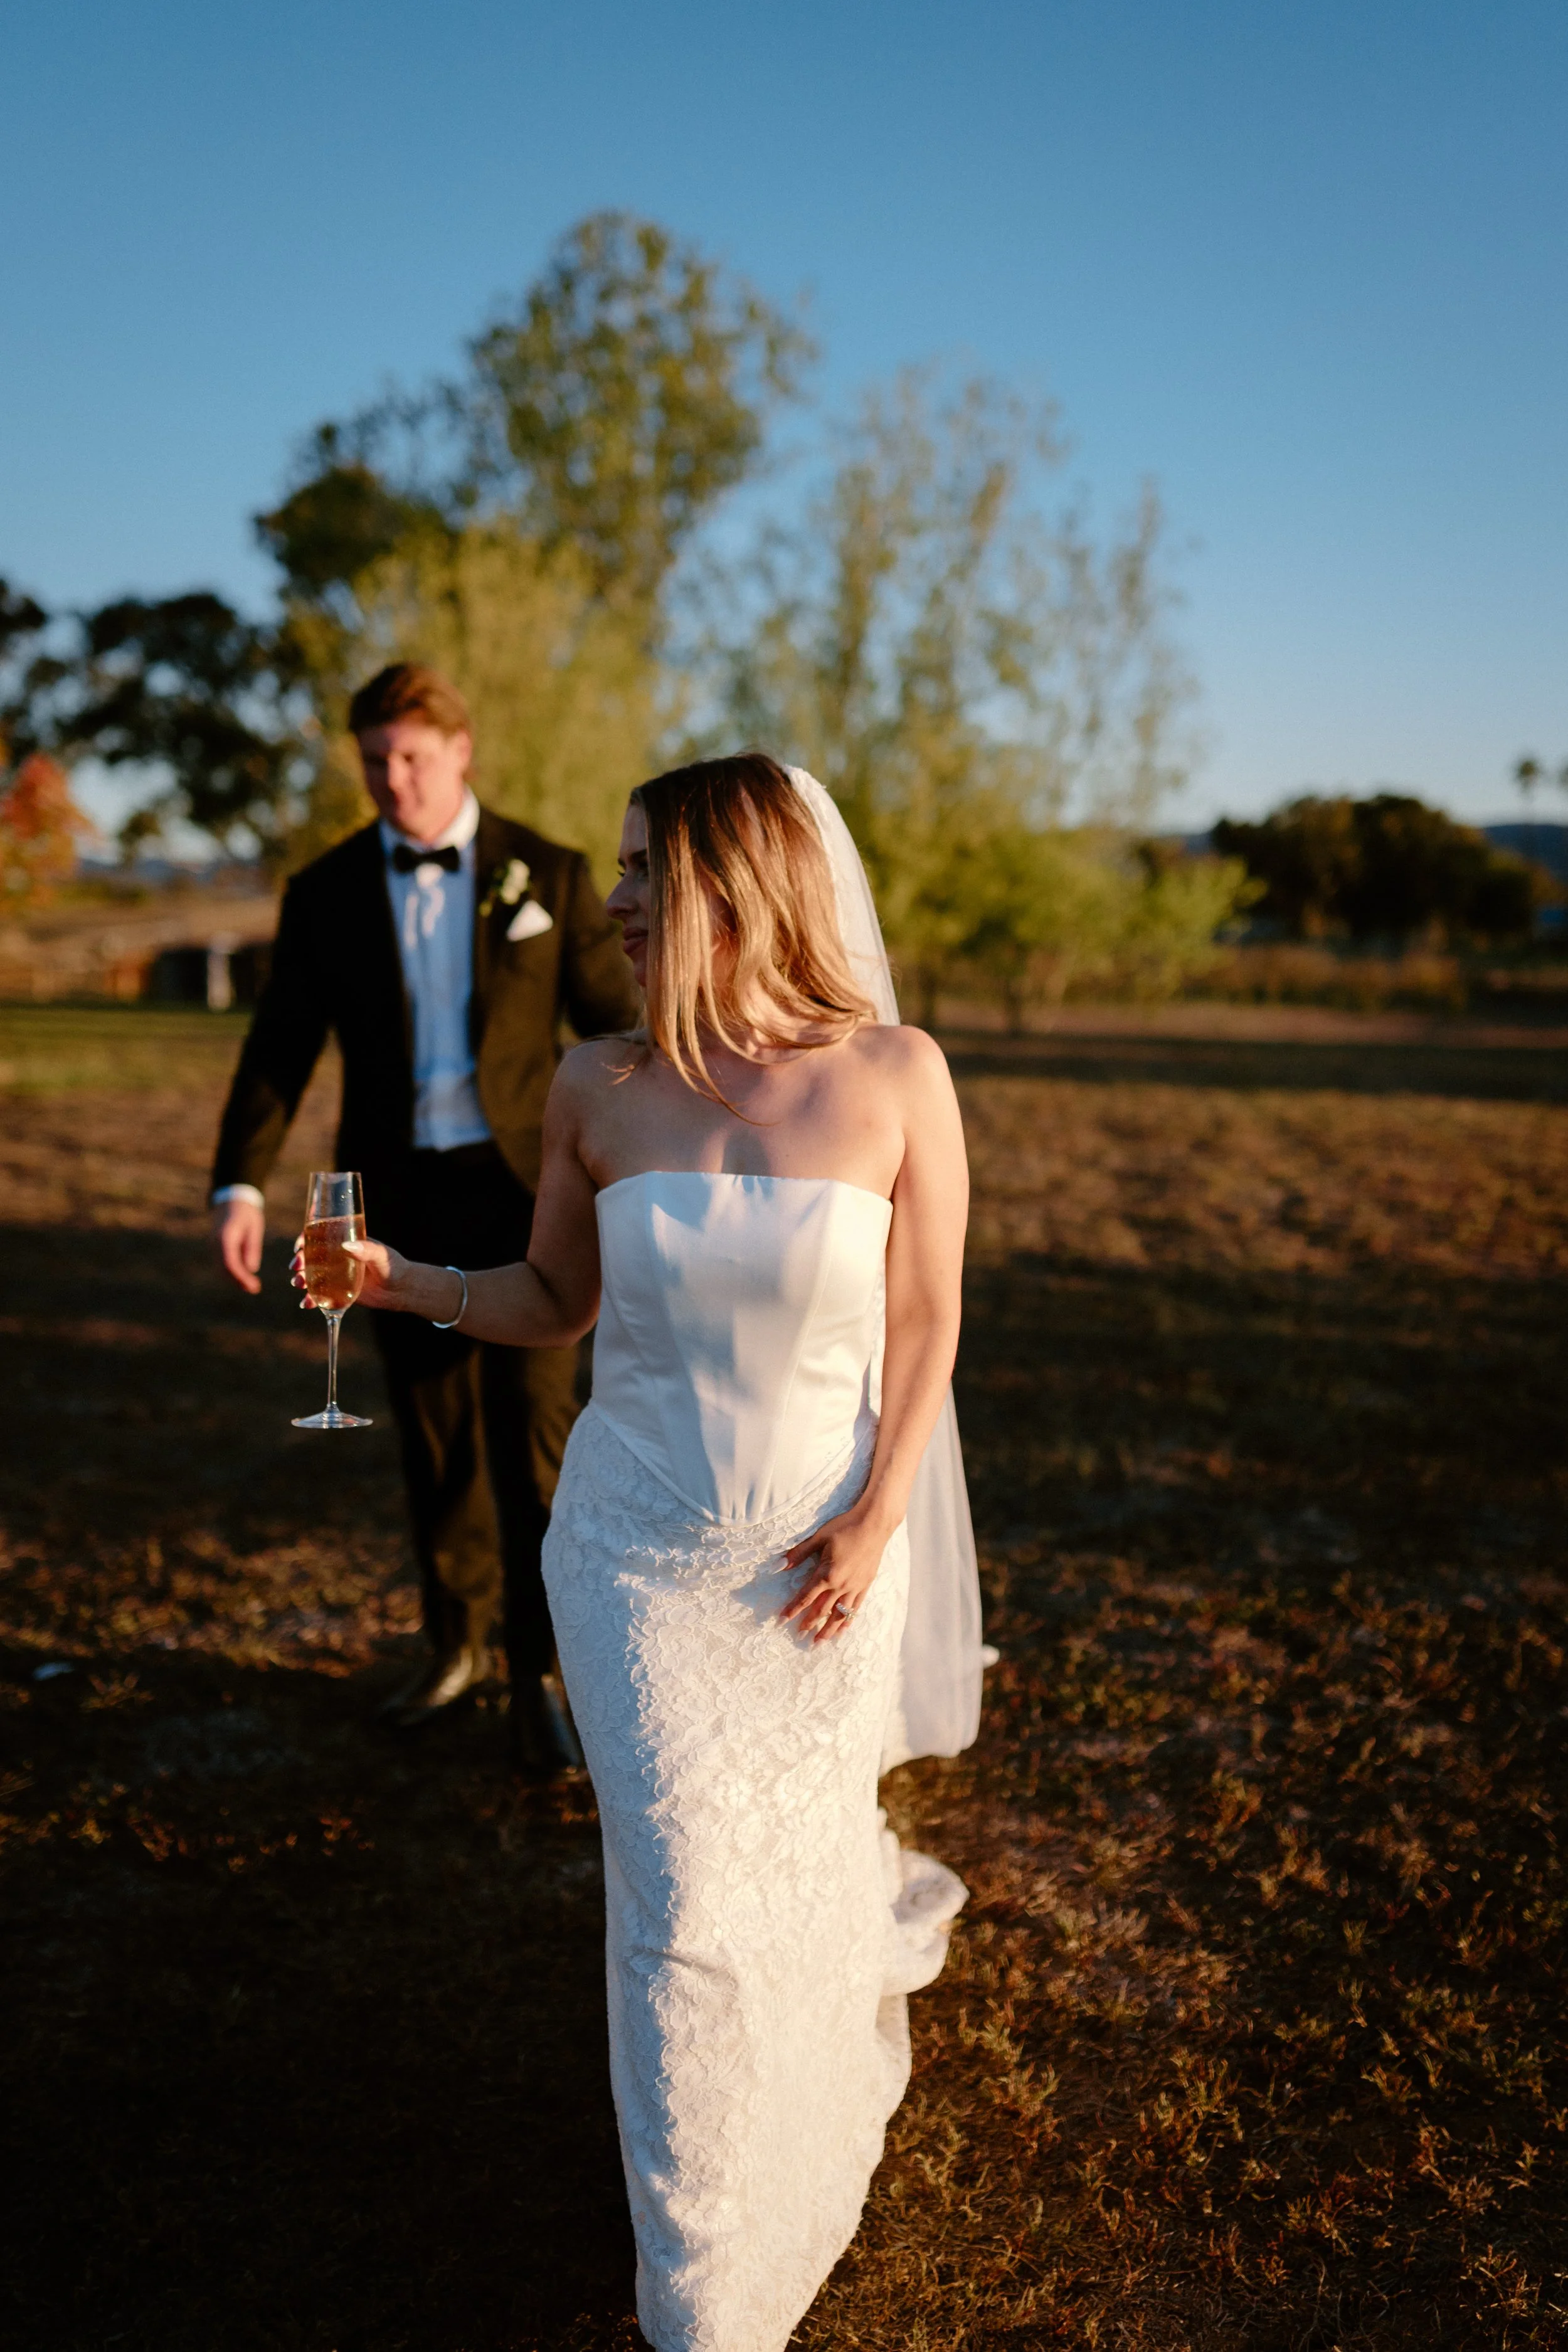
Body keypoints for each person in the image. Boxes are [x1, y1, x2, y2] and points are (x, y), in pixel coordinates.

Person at [324, 753, 987, 2351]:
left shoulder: (897, 1076)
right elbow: (551, 1304)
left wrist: (877, 1517)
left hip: (820, 1549)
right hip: (628, 1555)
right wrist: (395, 1277)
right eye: (616, 869)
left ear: (735, 878)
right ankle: (704, 2297)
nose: (610, 898)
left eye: (640, 869)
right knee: (683, 1907)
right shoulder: (593, 1088)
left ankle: (806, 2087)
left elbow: (925, 1326)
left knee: (798, 1867)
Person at [210, 662, 641, 1770]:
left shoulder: (548, 871)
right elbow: (281, 1048)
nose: (390, 780)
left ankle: (540, 1673)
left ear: (461, 752)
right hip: (392, 1200)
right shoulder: (327, 890)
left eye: (409, 756)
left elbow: (616, 1031)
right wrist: (238, 1183)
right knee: (436, 1437)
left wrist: (655, 1165)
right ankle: (454, 1645)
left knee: (536, 1442)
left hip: (528, 1196)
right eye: (372, 761)